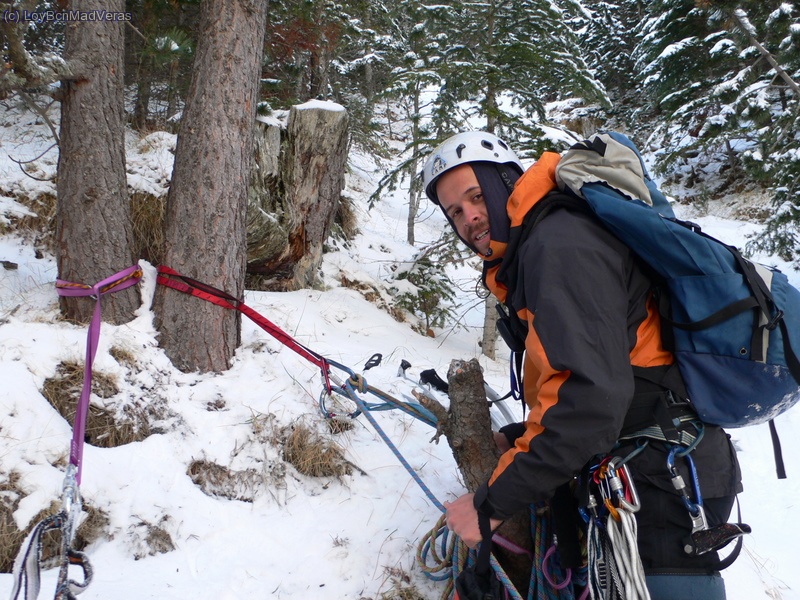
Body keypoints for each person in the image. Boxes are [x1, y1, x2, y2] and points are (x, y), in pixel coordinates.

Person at [421, 131, 742, 599]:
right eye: (454, 211)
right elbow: (599, 377)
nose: (469, 217)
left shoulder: (558, 244)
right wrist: (519, 437)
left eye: (476, 196)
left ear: (506, 184)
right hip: (651, 467)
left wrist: (492, 506)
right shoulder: (545, 243)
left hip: (659, 482)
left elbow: (591, 399)